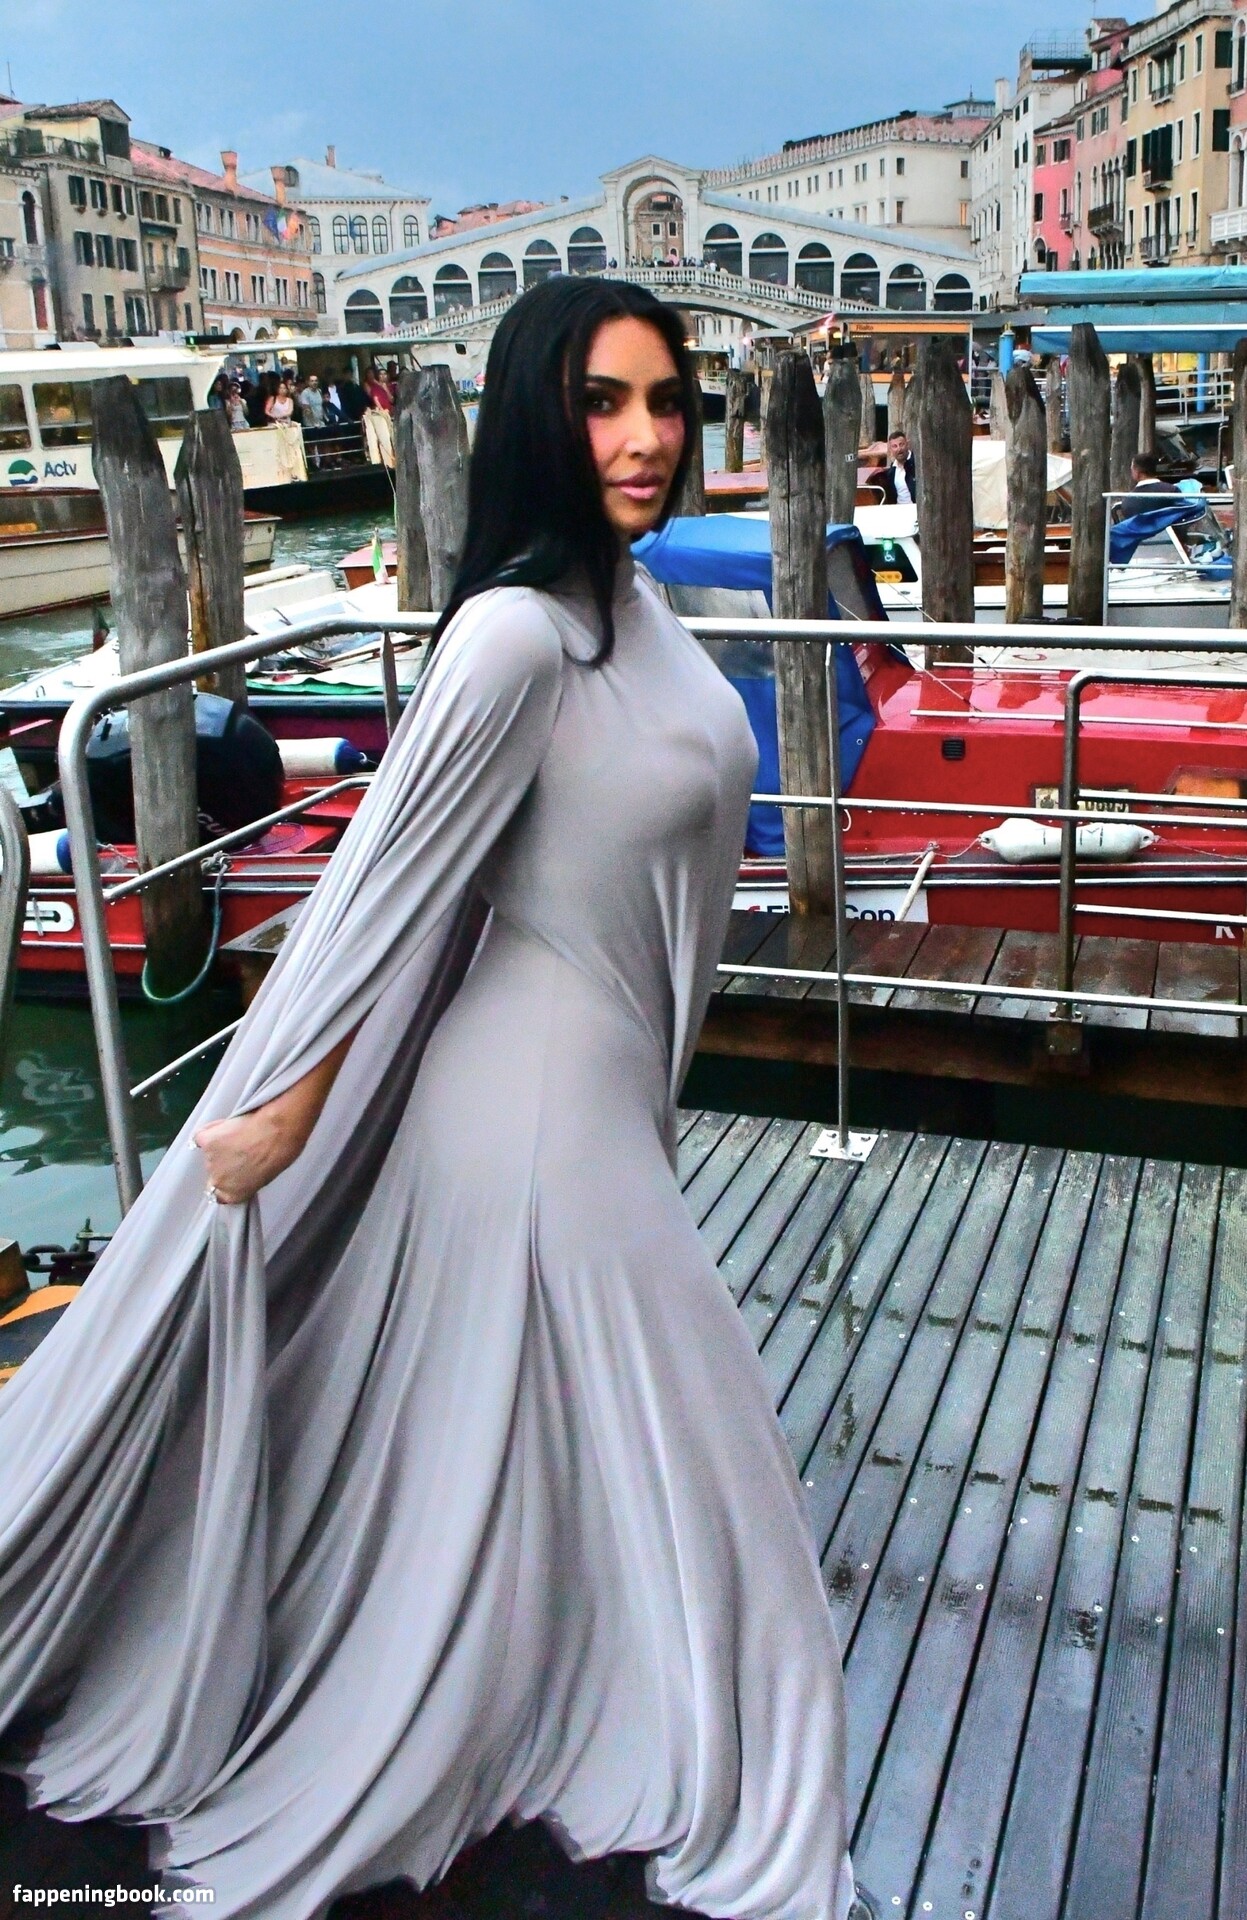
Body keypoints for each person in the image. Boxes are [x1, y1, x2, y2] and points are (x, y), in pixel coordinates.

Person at [0, 276, 866, 1920]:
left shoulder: (633, 608)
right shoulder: (513, 636)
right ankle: (564, 1699)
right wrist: (281, 1113)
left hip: (597, 1088)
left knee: (504, 1434)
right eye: (602, 403)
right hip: (528, 1106)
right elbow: (388, 892)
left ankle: (526, 1668)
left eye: (664, 401)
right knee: (699, 1466)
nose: (644, 436)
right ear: (538, 419)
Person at [879, 429, 917, 506]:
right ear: (890, 449)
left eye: (901, 444)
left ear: (907, 444)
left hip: (916, 509)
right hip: (898, 510)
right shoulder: (891, 472)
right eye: (895, 446)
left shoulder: (917, 463)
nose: (899, 449)